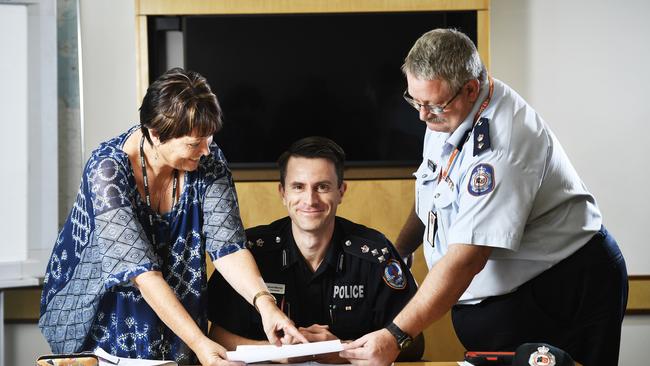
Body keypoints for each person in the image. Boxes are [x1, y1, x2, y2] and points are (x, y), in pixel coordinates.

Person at [340, 29, 628, 366]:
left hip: (565, 288)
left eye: (432, 105)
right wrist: (399, 250)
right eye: (414, 101)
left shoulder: (501, 146)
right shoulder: (446, 114)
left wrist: (395, 336)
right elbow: (432, 194)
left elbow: (468, 258)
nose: (421, 116)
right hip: (507, 302)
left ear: (471, 89)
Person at [39, 68, 305, 366]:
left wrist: (265, 304)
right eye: (194, 143)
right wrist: (199, 341)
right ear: (155, 133)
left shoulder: (209, 158)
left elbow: (228, 248)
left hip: (176, 305)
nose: (206, 150)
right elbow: (141, 274)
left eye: (209, 139)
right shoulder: (107, 171)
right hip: (104, 308)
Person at [207, 136, 424, 363]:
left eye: (322, 187)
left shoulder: (375, 254)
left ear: (341, 191)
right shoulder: (249, 253)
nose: (310, 200)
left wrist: (340, 350)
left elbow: (415, 343)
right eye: (298, 187)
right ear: (283, 193)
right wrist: (281, 353)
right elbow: (218, 337)